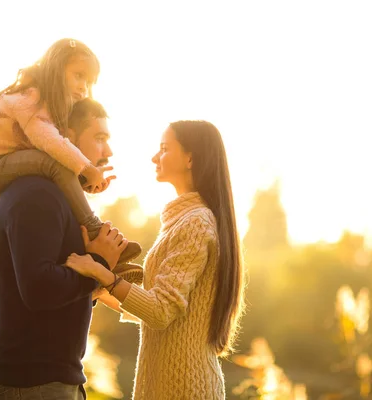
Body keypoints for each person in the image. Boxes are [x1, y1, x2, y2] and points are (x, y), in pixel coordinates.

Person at [65, 120, 246, 399]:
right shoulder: (186, 220)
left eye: (163, 149)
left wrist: (103, 274)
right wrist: (99, 287)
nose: (154, 157)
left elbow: (160, 312)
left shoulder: (196, 223)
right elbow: (167, 315)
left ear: (190, 158)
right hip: (171, 385)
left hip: (184, 388)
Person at [0, 98, 132, 400]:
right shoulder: (37, 194)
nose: (109, 152)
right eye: (99, 138)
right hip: (34, 384)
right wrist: (99, 262)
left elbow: (53, 295)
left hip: (49, 381)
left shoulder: (52, 195)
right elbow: (39, 289)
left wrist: (95, 279)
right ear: (66, 137)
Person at [0, 38, 142, 281]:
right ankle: (93, 228)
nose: (83, 87)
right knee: (52, 161)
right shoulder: (32, 97)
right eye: (78, 76)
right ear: (57, 70)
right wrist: (87, 168)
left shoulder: (47, 104)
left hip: (7, 161)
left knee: (53, 164)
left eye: (89, 82)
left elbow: (57, 163)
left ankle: (108, 261)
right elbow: (51, 143)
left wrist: (84, 181)